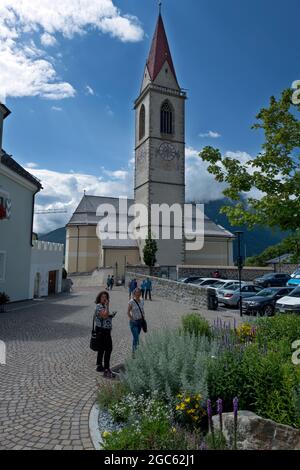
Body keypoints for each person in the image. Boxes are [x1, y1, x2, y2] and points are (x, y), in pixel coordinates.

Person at [94, 291, 116, 378]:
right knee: (108, 349)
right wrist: (107, 306)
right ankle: (106, 369)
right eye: (102, 297)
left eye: (106, 297)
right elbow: (104, 316)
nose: (104, 298)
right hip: (102, 331)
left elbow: (106, 316)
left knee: (102, 349)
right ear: (99, 298)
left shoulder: (103, 306)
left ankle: (99, 366)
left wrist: (111, 315)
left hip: (104, 330)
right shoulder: (99, 306)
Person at [128, 288, 145, 354]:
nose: (138, 294)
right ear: (134, 293)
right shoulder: (131, 301)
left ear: (140, 293)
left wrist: (144, 318)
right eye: (136, 292)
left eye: (139, 292)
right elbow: (128, 312)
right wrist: (132, 319)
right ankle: (134, 353)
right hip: (134, 323)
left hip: (140, 322)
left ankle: (135, 351)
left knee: (135, 337)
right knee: (136, 338)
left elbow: (142, 310)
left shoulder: (142, 300)